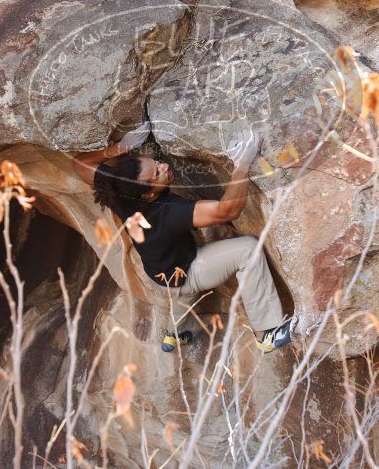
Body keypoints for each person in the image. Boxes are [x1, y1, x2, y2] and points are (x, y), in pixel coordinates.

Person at [72, 121, 292, 353]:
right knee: (248, 249)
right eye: (157, 173)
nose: (164, 166)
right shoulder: (167, 213)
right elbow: (227, 211)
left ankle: (174, 336)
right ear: (148, 193)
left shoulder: (118, 191)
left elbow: (78, 165)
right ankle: (268, 333)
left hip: (161, 273)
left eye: (156, 163)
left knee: (179, 298)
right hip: (188, 271)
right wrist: (242, 165)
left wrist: (118, 149)